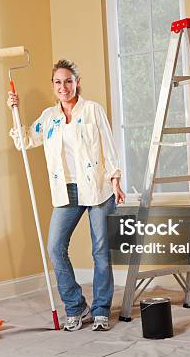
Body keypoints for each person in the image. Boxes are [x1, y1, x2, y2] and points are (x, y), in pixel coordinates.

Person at [8, 59, 125, 332]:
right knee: (55, 248)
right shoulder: (49, 117)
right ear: (53, 85)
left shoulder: (93, 110)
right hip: (66, 190)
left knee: (101, 252)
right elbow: (26, 140)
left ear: (77, 82)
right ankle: (75, 306)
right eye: (58, 82)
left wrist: (116, 182)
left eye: (69, 81)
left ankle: (100, 310)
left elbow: (109, 148)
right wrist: (14, 110)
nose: (64, 87)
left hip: (98, 187)